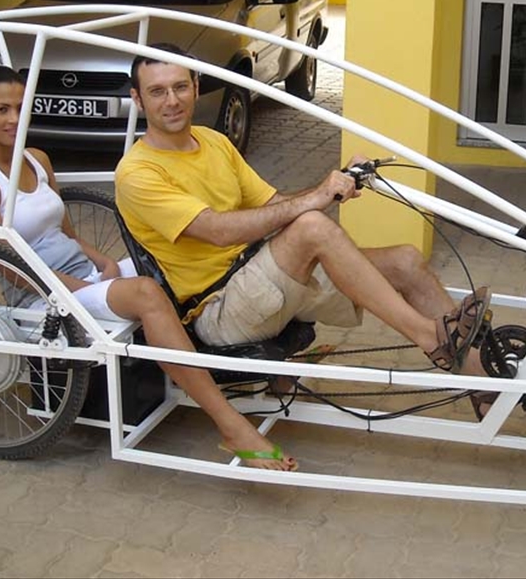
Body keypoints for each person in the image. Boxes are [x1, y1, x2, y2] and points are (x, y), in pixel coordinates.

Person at [114, 45, 496, 416]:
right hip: (220, 310)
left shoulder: (213, 141)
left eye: (180, 86)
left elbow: (275, 204)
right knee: (311, 227)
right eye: (157, 91)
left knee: (406, 261)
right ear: (137, 99)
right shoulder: (137, 172)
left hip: (260, 279)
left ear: (196, 87)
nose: (172, 100)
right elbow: (218, 231)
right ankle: (430, 336)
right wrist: (318, 198)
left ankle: (487, 385)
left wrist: (337, 182)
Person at [0, 65, 298, 471]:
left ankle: (251, 361)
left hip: (79, 277)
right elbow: (12, 267)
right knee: (147, 293)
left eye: (21, 107)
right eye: (2, 110)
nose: (14, 118)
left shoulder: (36, 159)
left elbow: (65, 233)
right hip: (40, 294)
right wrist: (84, 284)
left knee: (168, 261)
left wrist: (101, 261)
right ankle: (230, 424)